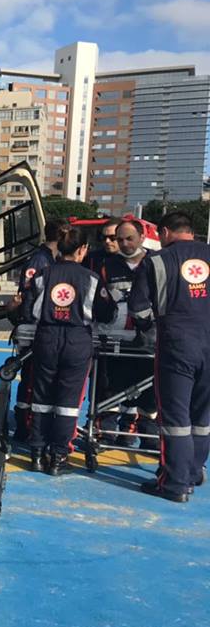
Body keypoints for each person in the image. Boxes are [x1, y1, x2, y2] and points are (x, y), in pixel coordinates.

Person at [20, 227, 117, 474]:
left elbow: (29, 310)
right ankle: (59, 457)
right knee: (68, 401)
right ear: (82, 249)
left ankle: (36, 454)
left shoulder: (42, 275)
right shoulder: (91, 278)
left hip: (46, 337)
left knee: (41, 398)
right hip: (77, 340)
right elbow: (107, 313)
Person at [129, 212, 210, 502]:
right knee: (202, 417)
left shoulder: (157, 261)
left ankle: (175, 483)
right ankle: (194, 472)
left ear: (164, 232)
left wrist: (147, 330)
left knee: (175, 418)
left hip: (177, 344)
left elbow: (138, 308)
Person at [95, 219, 158, 448]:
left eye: (128, 238)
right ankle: (106, 433)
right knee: (109, 388)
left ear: (142, 237)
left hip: (148, 339)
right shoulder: (107, 265)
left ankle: (147, 435)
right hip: (115, 338)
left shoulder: (157, 263)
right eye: (119, 239)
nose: (123, 243)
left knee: (148, 392)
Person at [9, 217, 69, 443]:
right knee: (31, 379)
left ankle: (32, 423)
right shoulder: (40, 261)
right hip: (34, 328)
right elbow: (29, 296)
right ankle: (24, 425)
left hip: (41, 327)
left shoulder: (51, 259)